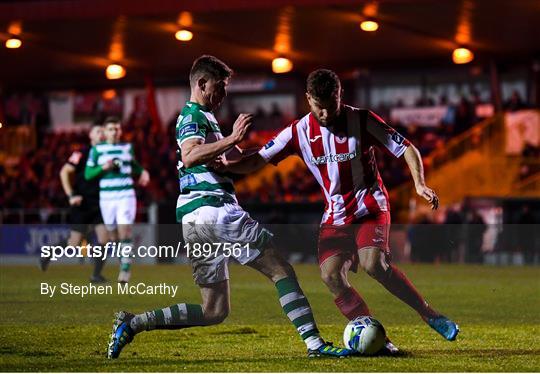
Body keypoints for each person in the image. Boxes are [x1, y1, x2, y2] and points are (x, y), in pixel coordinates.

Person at [106, 56, 352, 359]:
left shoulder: (206, 119)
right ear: (201, 84)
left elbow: (233, 162)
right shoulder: (192, 116)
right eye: (219, 88)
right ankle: (315, 345)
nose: (223, 95)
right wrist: (233, 138)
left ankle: (133, 323)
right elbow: (190, 155)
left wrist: (268, 150)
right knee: (281, 270)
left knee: (214, 310)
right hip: (216, 210)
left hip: (194, 218)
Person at [223, 69, 460, 352]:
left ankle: (429, 314)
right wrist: (220, 160)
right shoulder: (297, 131)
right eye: (318, 107)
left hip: (370, 206)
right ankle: (377, 340)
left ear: (340, 95)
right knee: (330, 276)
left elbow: (406, 148)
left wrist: (419, 184)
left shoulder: (362, 120)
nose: (324, 114)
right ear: (308, 99)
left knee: (375, 265)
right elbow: (254, 162)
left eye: (330, 105)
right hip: (335, 215)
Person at [40, 124, 109, 283]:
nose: (102, 134)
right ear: (90, 135)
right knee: (74, 242)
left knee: (104, 238)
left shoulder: (106, 155)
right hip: (82, 203)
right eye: (98, 131)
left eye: (103, 132)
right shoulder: (80, 153)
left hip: (100, 204)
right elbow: (64, 171)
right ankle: (49, 253)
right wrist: (71, 194)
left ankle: (96, 275)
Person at [85, 117, 150, 283]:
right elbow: (88, 174)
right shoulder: (97, 150)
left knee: (125, 231)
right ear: (105, 132)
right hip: (106, 198)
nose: (114, 132)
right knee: (113, 237)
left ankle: (125, 270)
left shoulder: (127, 148)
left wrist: (143, 172)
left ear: (120, 131)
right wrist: (103, 167)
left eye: (117, 128)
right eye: (111, 129)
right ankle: (125, 262)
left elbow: (134, 166)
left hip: (125, 195)